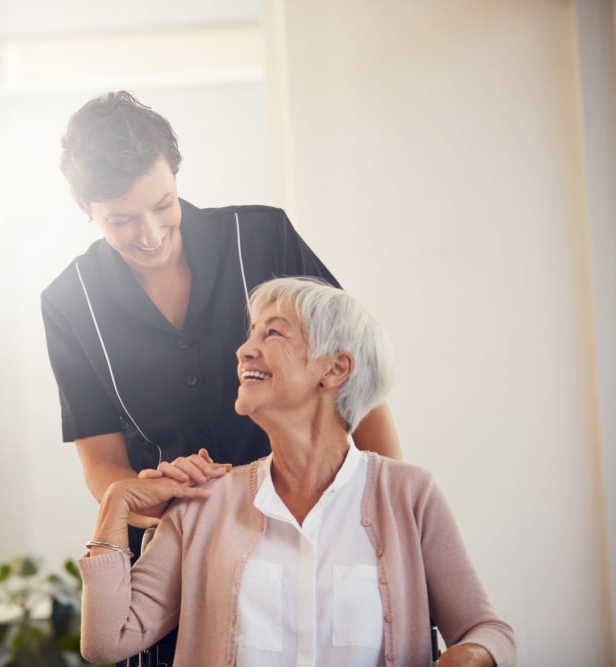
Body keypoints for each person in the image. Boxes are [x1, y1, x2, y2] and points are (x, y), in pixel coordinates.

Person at [41, 90, 401, 664]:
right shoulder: (68, 304)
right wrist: (165, 504)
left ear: (176, 176)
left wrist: (392, 507)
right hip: (175, 565)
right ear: (84, 207)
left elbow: (355, 379)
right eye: (122, 220)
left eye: (163, 204)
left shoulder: (262, 239)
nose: (151, 233)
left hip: (311, 529)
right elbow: (101, 463)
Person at [78, 276, 516, 666]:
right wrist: (116, 502)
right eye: (251, 334)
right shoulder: (203, 501)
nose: (244, 349)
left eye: (273, 333)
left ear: (335, 368)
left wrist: (469, 658)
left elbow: (489, 632)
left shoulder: (410, 494)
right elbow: (107, 642)